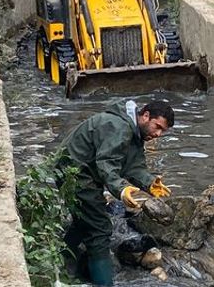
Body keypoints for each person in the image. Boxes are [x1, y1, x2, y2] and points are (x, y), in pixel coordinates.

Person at [56, 99, 174, 286]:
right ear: (145, 116)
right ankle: (103, 282)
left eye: (163, 131)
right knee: (100, 229)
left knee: (84, 220)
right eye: (157, 126)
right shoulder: (119, 128)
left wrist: (149, 183)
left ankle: (60, 264)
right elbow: (107, 163)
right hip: (74, 172)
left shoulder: (134, 131)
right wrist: (121, 188)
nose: (158, 134)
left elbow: (133, 166)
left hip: (84, 171)